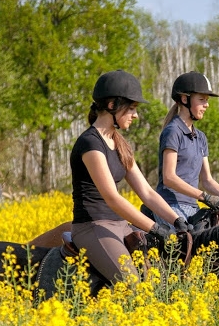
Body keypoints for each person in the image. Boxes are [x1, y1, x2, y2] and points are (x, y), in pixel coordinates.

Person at [71, 70, 192, 284]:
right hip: (93, 226)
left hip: (120, 224)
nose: (136, 115)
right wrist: (155, 228)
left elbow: (146, 192)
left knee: (158, 277)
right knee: (134, 285)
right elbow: (112, 198)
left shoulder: (121, 144)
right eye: (132, 108)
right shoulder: (90, 143)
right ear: (111, 105)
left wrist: (176, 221)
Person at [154, 71, 219, 230]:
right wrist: (204, 196)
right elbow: (169, 177)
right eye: (202, 100)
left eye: (207, 100)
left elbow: (207, 180)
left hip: (192, 206)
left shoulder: (201, 137)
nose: (207, 104)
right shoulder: (173, 131)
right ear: (185, 99)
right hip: (169, 205)